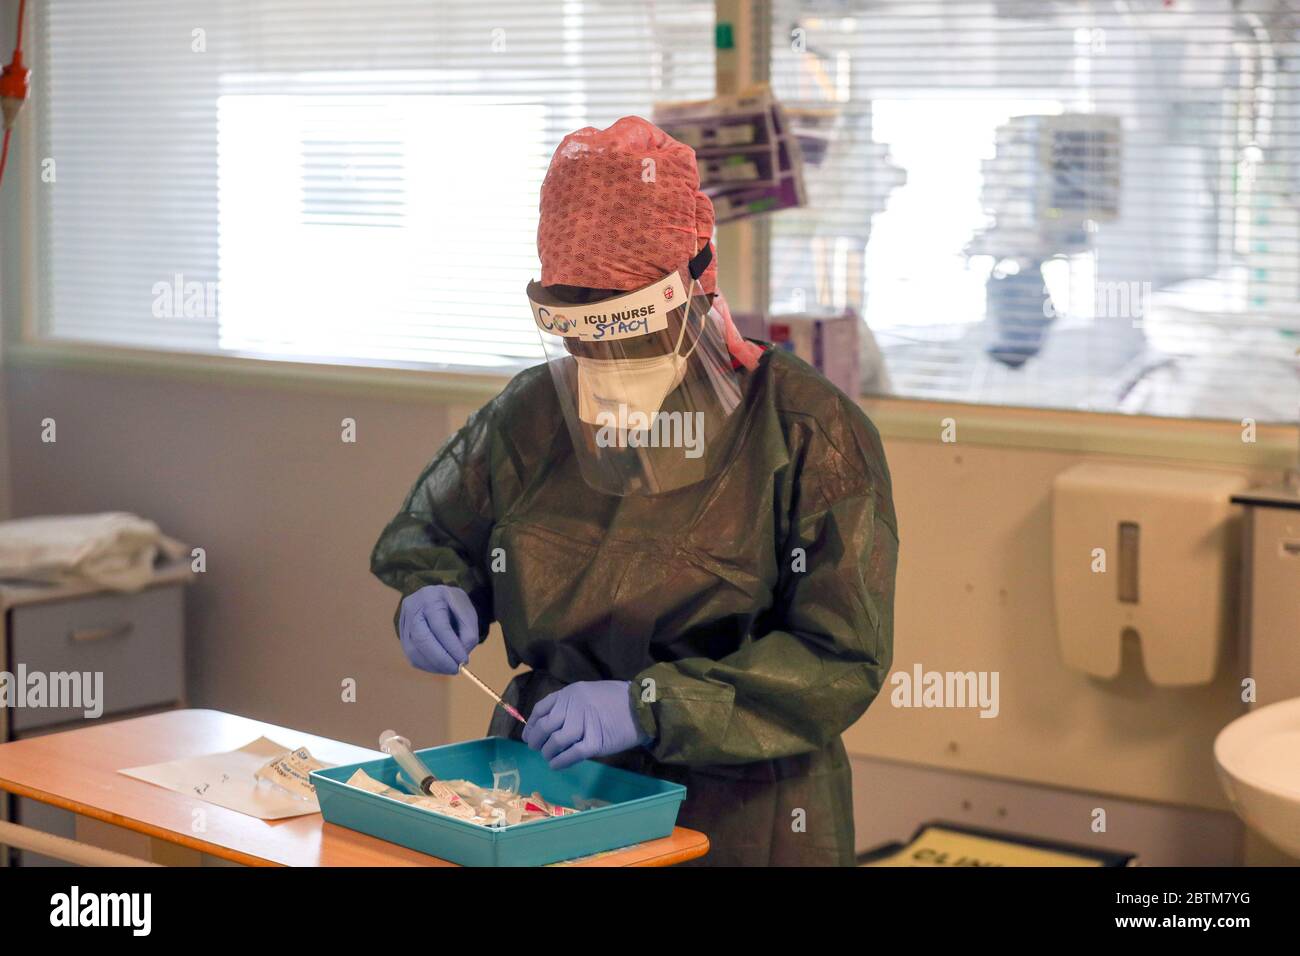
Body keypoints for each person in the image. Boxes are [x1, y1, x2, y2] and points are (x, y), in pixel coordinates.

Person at [371, 116, 898, 866]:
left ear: (697, 276)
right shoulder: (534, 413)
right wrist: (435, 590)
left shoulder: (808, 430)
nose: (604, 362)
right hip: (554, 787)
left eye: (627, 332)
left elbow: (838, 658)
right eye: (582, 336)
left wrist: (650, 705)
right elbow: (443, 537)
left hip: (739, 810)